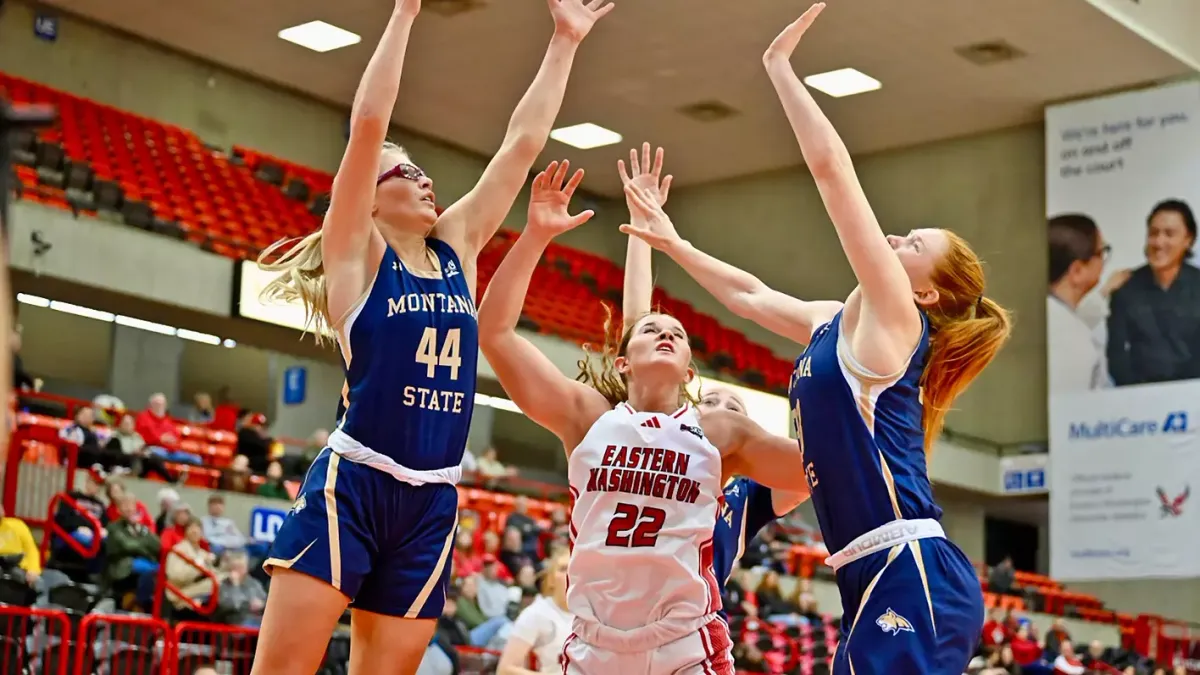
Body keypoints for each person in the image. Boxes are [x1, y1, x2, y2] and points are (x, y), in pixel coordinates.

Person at [620, 6, 1010, 673]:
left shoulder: (899, 321)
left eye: (912, 244)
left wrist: (780, 71)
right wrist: (673, 242)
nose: (895, 238)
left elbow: (834, 175)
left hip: (907, 564)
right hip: (870, 571)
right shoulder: (838, 321)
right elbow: (749, 295)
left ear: (926, 294)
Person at [249, 0, 614, 671]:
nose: (421, 178)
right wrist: (406, 12)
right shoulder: (355, 256)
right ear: (369, 196)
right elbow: (367, 127)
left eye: (421, 168)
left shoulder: (456, 247)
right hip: (355, 484)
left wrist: (564, 41)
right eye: (401, 172)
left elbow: (521, 146)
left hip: (433, 498)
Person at [477, 159, 810, 675]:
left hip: (683, 644)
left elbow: (826, 468)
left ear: (690, 370)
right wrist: (536, 235)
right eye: (652, 329)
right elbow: (495, 334)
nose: (666, 333)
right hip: (593, 644)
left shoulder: (719, 432)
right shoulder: (588, 417)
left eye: (677, 331)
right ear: (623, 360)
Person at [617, 143, 807, 597]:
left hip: (697, 620)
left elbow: (813, 473)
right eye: (712, 402)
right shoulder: (660, 429)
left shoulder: (753, 490)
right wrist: (640, 228)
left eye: (733, 408)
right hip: (621, 608)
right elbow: (635, 325)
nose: (721, 410)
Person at [1107, 199, 1200, 385]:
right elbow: (1116, 353)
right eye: (1153, 233)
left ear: (1188, 240)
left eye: (1169, 234)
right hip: (1140, 398)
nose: (1159, 242)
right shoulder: (1126, 287)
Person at [498, 551, 572, 674]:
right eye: (563, 569)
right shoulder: (537, 614)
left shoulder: (592, 614)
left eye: (574, 568)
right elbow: (505, 670)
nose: (569, 574)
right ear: (551, 580)